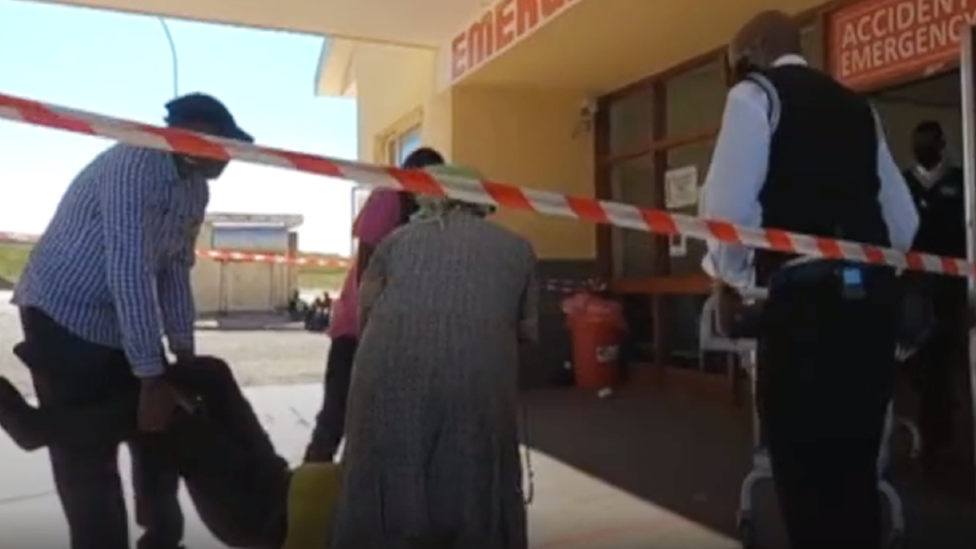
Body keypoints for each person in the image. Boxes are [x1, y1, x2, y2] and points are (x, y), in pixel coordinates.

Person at [699, 11, 918, 549]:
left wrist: (734, 280)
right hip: (870, 316)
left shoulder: (755, 97)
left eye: (732, 65)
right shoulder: (859, 109)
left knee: (805, 481)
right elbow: (904, 223)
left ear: (750, 51)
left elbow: (726, 211)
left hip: (804, 313)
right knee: (857, 474)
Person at [10, 93, 253, 549]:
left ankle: (160, 539)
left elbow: (175, 268)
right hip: (62, 315)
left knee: (159, 433)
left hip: (118, 322)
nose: (229, 158)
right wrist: (149, 375)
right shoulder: (132, 166)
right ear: (188, 140)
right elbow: (131, 270)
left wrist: (182, 360)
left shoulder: (194, 189)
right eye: (222, 146)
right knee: (89, 463)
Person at [328, 169, 536, 549]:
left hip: (384, 371)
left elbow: (365, 312)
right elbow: (525, 331)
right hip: (477, 376)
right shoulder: (517, 249)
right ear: (481, 197)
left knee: (388, 467)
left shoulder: (394, 242)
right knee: (473, 472)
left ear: (427, 196)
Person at [0, 356, 291, 549]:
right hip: (282, 480)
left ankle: (37, 429)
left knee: (166, 415)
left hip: (266, 514)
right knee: (212, 373)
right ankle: (145, 382)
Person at [304, 146, 445, 462]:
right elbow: (367, 268)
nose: (429, 187)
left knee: (388, 419)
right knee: (336, 414)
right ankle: (308, 486)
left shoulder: (437, 213)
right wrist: (370, 323)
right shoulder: (388, 198)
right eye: (423, 178)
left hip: (400, 332)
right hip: (357, 329)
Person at [901, 121, 968, 472]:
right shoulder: (905, 182)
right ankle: (929, 429)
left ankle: (940, 434)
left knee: (945, 358)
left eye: (928, 142)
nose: (922, 148)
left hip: (951, 284)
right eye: (918, 142)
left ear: (942, 144)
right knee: (920, 357)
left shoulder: (960, 181)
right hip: (915, 283)